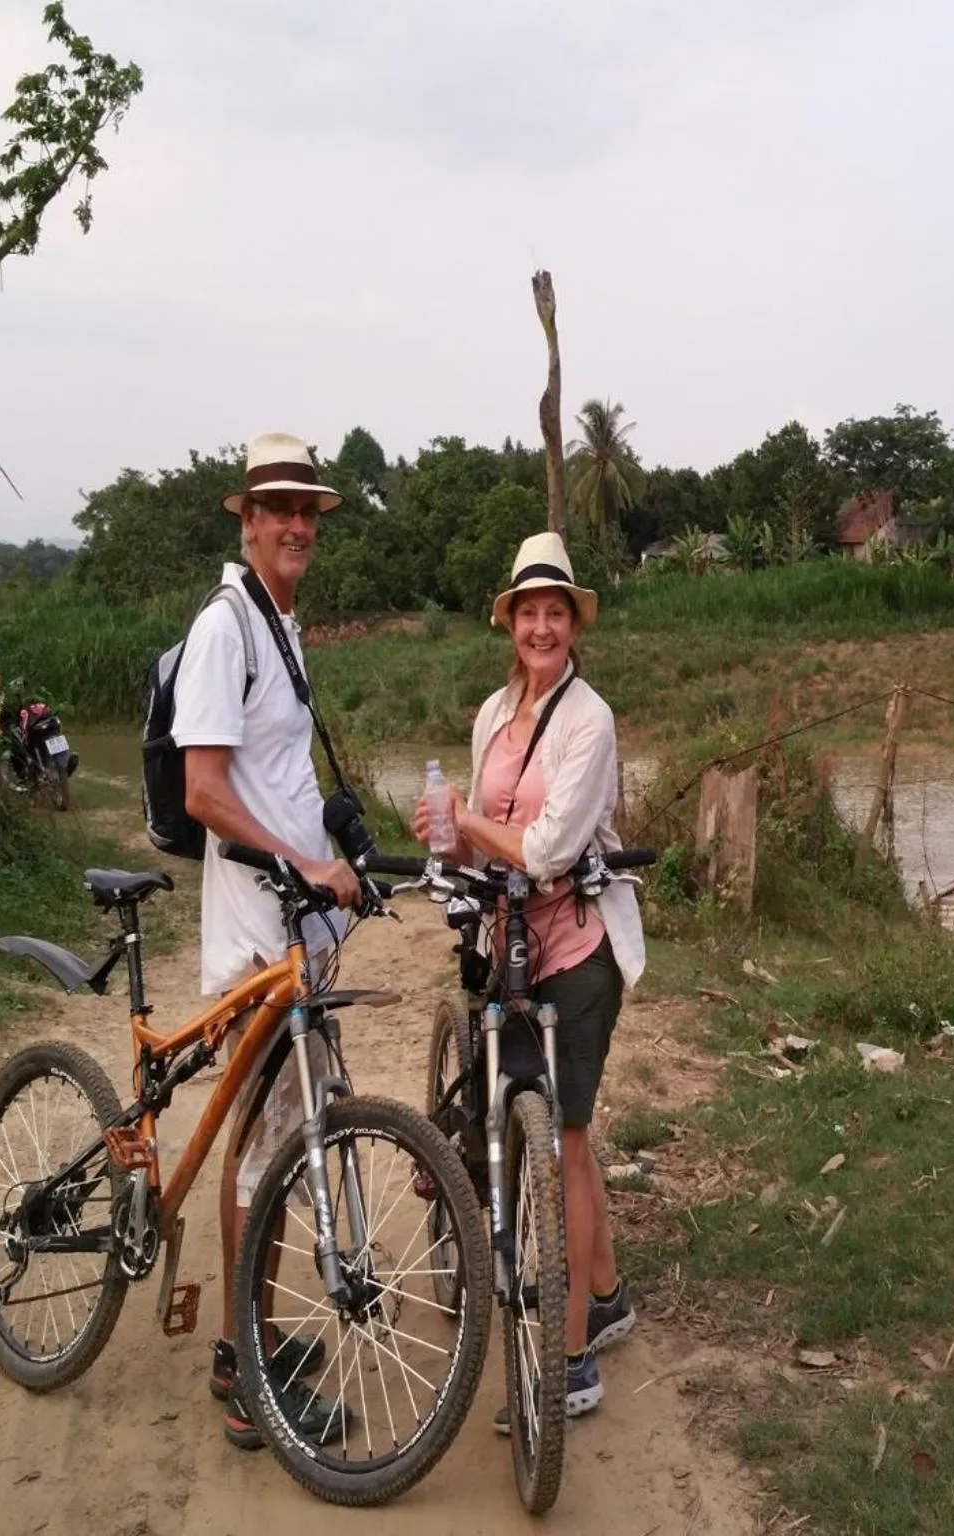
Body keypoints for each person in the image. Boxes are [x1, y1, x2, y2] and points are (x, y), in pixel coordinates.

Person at [414, 531, 646, 1426]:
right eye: (528, 612)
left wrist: (471, 820)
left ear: (573, 623)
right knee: (550, 1135)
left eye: (556, 612)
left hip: (577, 948)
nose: (541, 627)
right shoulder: (491, 715)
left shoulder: (590, 720)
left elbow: (548, 851)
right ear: (509, 622)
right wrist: (448, 828)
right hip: (503, 943)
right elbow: (476, 834)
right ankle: (609, 1292)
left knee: (565, 1144)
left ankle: (572, 1355)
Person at [170, 431, 361, 1450]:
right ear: (245, 519)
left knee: (287, 1143)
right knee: (258, 1155)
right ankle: (247, 1370)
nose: (294, 524)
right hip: (256, 936)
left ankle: (258, 1326)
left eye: (307, 511)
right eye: (275, 507)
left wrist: (340, 859)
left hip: (301, 929)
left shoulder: (283, 627)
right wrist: (298, 867)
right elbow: (205, 792)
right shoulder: (225, 629)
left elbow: (282, 781)